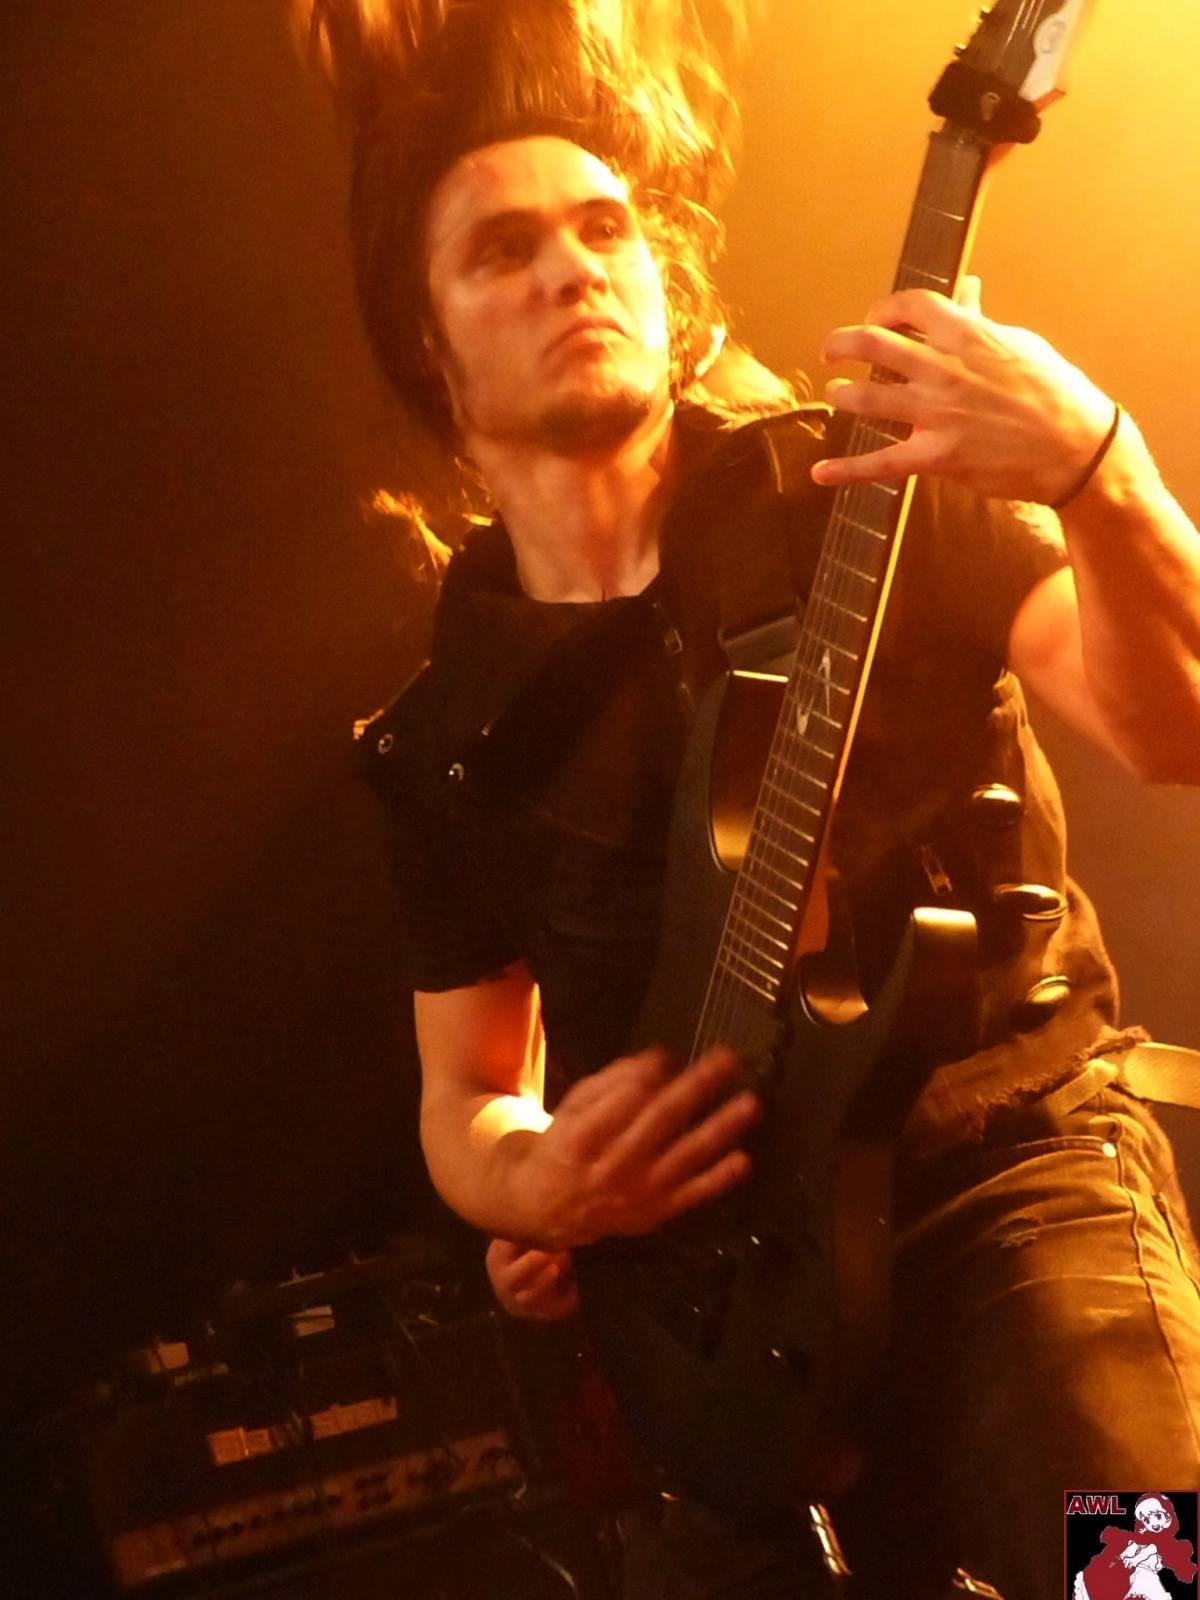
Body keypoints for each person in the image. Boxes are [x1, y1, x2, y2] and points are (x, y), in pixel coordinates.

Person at [306, 2, 1200, 1594]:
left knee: (1141, 1575)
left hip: (1006, 1196)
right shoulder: (443, 739)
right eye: (505, 250)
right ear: (430, 350)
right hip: (719, 1313)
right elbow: (467, 1093)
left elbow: (1175, 730)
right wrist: (535, 1180)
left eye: (604, 228)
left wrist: (1101, 469)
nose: (574, 269)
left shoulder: (869, 489)